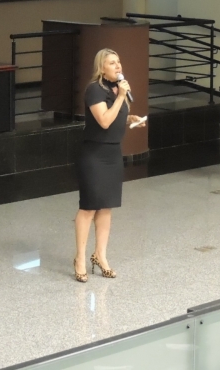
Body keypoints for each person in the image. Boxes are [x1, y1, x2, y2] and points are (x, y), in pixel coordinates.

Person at [73, 49, 146, 283]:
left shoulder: (117, 88)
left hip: (113, 153)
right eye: (112, 63)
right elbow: (103, 121)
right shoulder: (94, 89)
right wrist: (121, 98)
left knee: (106, 206)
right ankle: (80, 259)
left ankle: (100, 256)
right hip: (94, 154)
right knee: (89, 206)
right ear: (101, 67)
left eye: (119, 62)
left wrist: (129, 118)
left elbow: (113, 116)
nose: (118, 66)